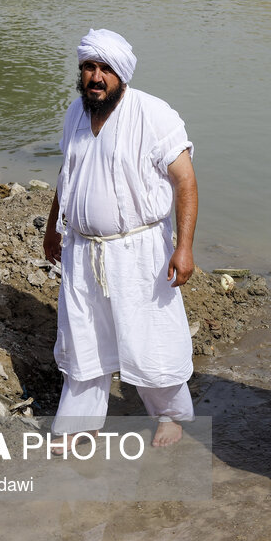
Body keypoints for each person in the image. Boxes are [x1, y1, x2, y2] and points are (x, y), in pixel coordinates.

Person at [43, 28, 199, 449]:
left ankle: (169, 416)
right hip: (81, 248)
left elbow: (184, 181)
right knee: (82, 336)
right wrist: (53, 226)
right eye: (89, 68)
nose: (95, 77)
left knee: (147, 335)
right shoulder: (76, 113)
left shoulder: (153, 114)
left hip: (140, 249)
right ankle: (80, 423)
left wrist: (183, 247)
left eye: (104, 69)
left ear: (121, 74)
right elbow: (68, 173)